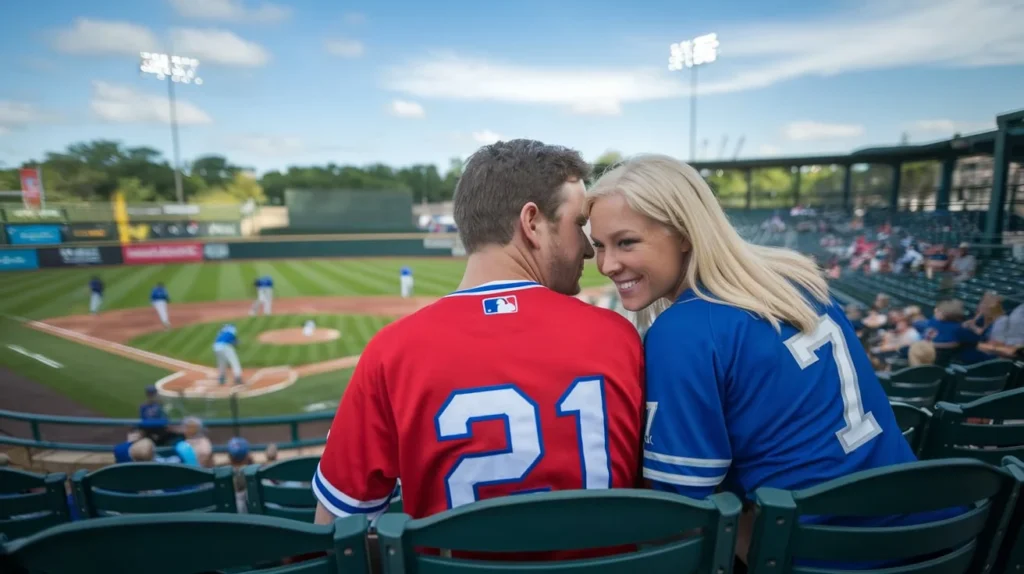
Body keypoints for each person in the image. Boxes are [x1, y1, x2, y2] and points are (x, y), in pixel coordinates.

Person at [585, 154, 953, 565]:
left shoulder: (683, 331)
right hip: (932, 532)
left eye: (626, 242)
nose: (607, 264)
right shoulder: (793, 280)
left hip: (830, 554)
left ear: (684, 233)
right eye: (599, 245)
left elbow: (682, 514)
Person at [313, 139, 645, 528]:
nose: (590, 251)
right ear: (532, 223)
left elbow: (335, 530)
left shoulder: (392, 353)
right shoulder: (618, 337)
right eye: (578, 226)